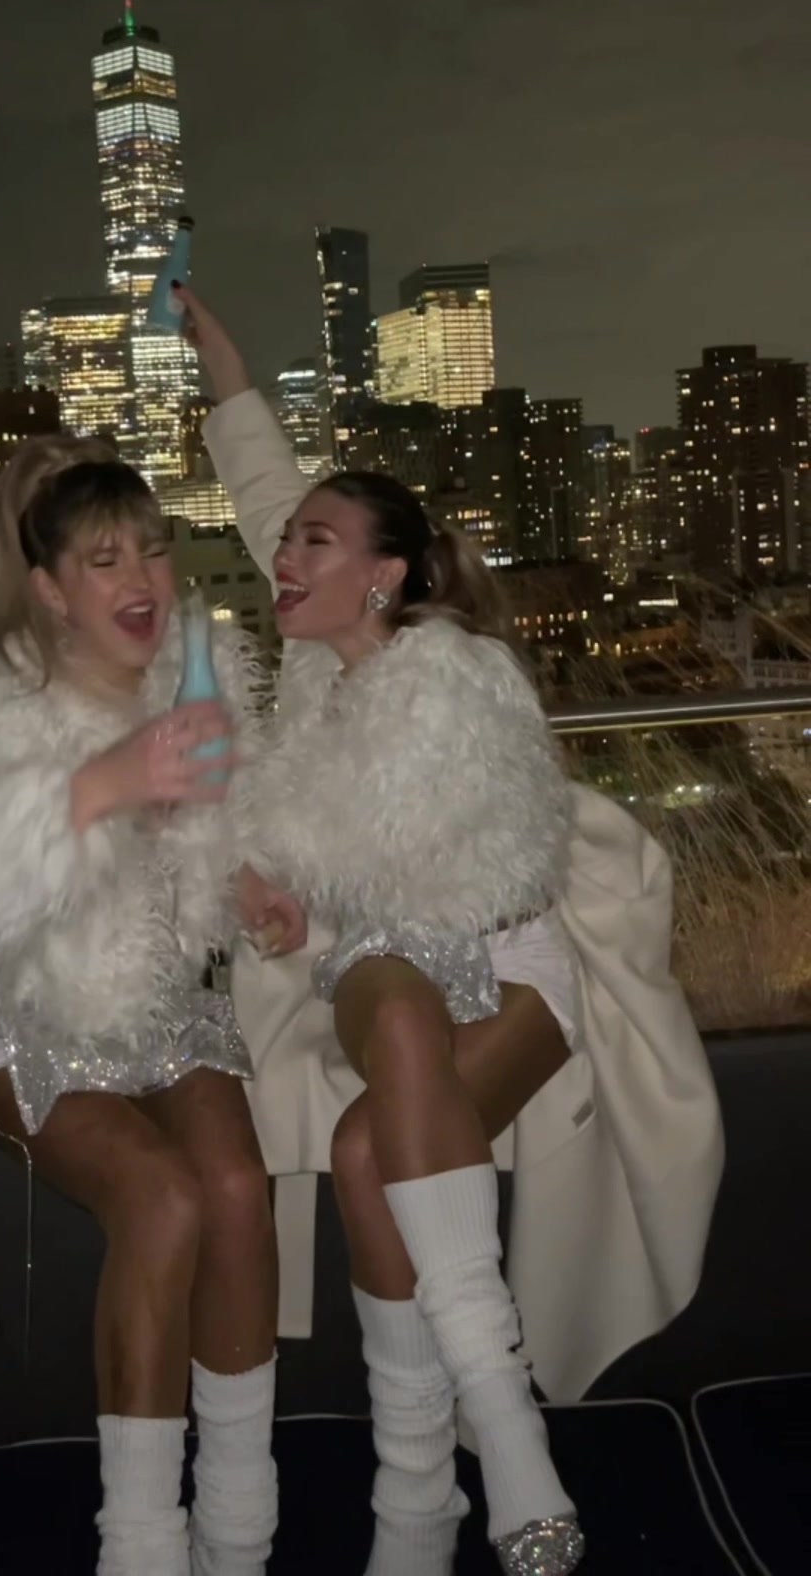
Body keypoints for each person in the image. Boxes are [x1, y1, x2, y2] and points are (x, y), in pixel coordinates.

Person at [181, 284, 724, 1576]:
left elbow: (460, 881)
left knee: (380, 1073)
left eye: (316, 544)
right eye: (285, 544)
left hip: (511, 969)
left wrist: (289, 879)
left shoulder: (458, 673)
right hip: (388, 986)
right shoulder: (315, 681)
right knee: (379, 1051)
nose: (284, 558)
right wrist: (223, 367)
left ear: (384, 576)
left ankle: (468, 1451)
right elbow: (265, 491)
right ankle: (437, 1493)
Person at [0, 434, 301, 1576]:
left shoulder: (197, 670)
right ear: (48, 588)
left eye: (151, 548)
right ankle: (139, 1549)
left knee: (239, 1191)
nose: (142, 578)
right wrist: (96, 788)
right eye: (104, 558)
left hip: (165, 1014)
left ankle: (239, 1533)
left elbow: (219, 822)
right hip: (33, 1029)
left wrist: (248, 884)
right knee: (164, 1199)